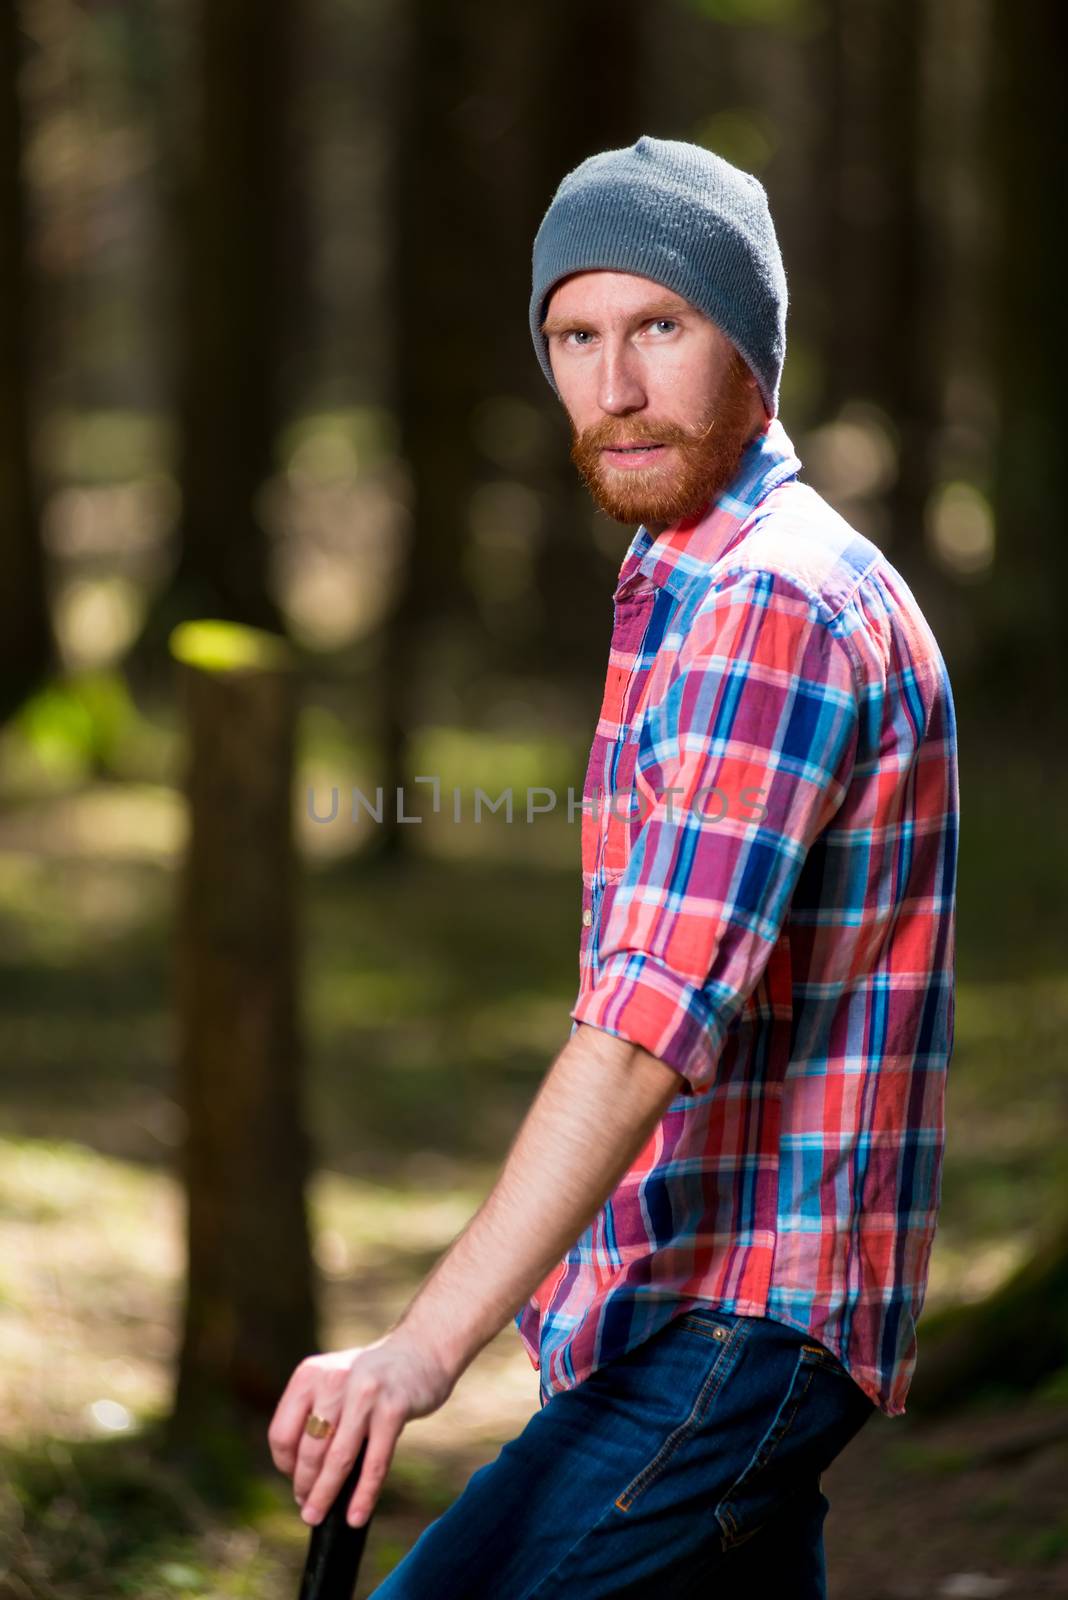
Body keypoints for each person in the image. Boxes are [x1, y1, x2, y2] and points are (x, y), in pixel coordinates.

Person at [267, 134, 959, 1597]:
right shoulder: (686, 570)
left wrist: (419, 1350)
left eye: (662, 326)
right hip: (684, 1302)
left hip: (740, 1320)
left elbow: (646, 1023)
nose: (615, 387)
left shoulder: (774, 602)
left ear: (753, 346)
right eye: (576, 336)